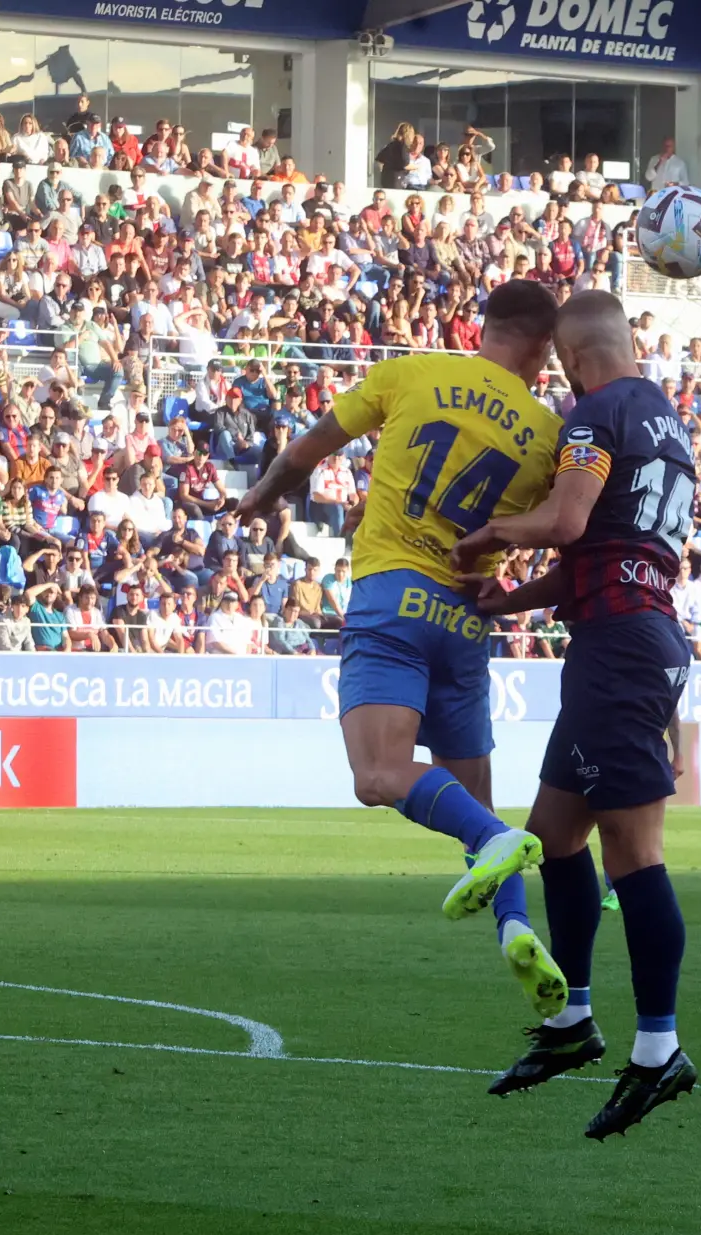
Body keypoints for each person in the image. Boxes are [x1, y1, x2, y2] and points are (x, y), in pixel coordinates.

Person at [237, 279, 566, 1017]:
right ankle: (517, 925)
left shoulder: (413, 372)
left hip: (392, 598)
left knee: (380, 775)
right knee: (472, 801)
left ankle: (500, 845)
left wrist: (264, 494)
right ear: (543, 349)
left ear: (484, 326)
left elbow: (308, 450)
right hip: (467, 621)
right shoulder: (547, 434)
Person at [450, 290, 697, 1140]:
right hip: (632, 634)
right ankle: (571, 1022)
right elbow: (601, 551)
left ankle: (660, 1050)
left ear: (569, 359)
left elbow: (565, 519)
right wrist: (510, 598)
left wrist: (490, 532)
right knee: (556, 833)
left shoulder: (594, 415)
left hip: (621, 649)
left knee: (634, 854)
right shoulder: (665, 417)